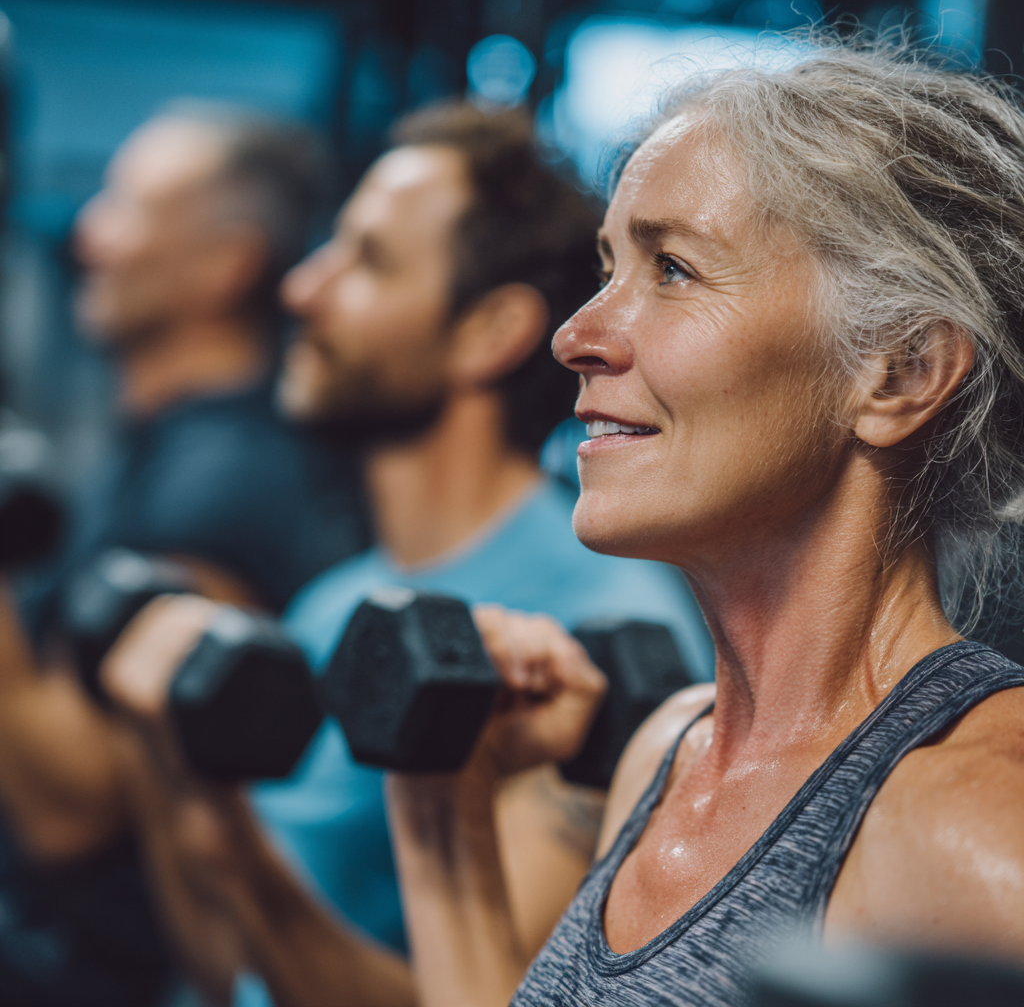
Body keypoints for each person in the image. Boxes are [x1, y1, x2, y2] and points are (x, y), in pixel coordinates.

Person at [368, 39, 1024, 1007]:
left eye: (671, 269)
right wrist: (439, 819)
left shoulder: (977, 821)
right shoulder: (664, 751)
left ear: (899, 372)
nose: (575, 334)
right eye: (607, 265)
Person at [100, 101, 714, 1007]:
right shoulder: (333, 603)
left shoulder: (592, 635)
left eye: (368, 261)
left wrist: (232, 847)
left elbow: (486, 995)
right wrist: (178, 785)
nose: (302, 289)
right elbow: (232, 981)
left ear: (489, 331)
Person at [0, 104, 368, 1007]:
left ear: (225, 264)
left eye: (126, 206)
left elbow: (75, 808)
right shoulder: (168, 446)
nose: (89, 234)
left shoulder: (225, 481)